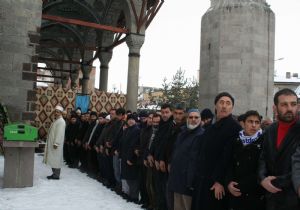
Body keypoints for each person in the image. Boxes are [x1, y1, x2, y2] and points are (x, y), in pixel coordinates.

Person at [192, 92, 241, 210]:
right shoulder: (210, 128)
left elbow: (227, 158)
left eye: (228, 103)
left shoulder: (234, 128)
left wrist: (219, 181)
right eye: (221, 102)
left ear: (232, 108)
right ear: (215, 106)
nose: (224, 106)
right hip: (203, 179)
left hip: (218, 184)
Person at [258, 88, 300, 210]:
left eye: (293, 104)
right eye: (284, 104)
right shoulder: (270, 130)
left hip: (293, 199)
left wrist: (276, 181)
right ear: (275, 108)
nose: (290, 108)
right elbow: (263, 157)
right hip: (270, 199)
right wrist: (262, 178)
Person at [227, 110, 265, 210]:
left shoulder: (264, 141)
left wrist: (242, 186)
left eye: (257, 122)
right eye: (250, 121)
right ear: (243, 124)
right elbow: (230, 163)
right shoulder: (236, 140)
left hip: (254, 196)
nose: (253, 125)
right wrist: (229, 182)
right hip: (234, 194)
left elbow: (263, 169)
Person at [168, 109, 204, 210]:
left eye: (196, 117)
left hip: (188, 184)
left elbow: (196, 161)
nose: (193, 119)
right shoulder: (182, 133)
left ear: (200, 120)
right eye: (191, 117)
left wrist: (191, 182)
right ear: (187, 119)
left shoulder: (202, 135)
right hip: (177, 180)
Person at [43, 105, 66, 180]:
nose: (56, 113)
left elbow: (60, 134)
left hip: (56, 144)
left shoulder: (61, 122)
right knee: (53, 159)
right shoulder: (56, 120)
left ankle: (56, 175)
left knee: (56, 160)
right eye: (55, 111)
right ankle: (54, 174)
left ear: (61, 113)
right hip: (53, 143)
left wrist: (56, 143)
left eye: (58, 112)